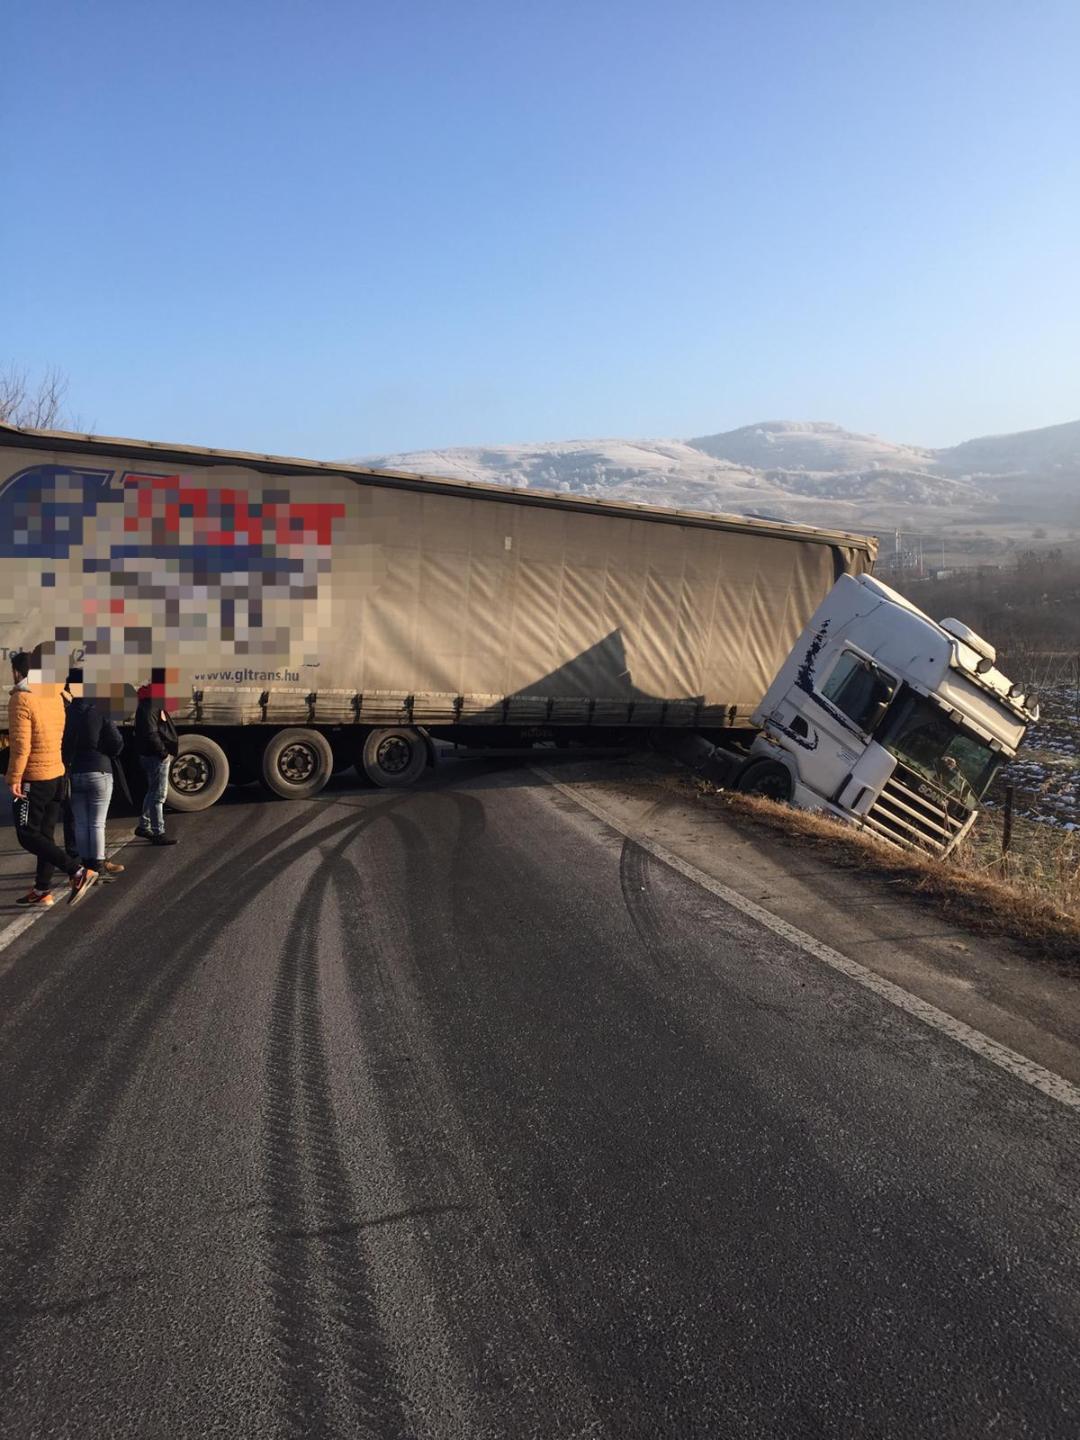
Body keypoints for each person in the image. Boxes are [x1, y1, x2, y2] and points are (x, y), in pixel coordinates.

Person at [6, 651, 97, 907]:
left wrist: (14, 777)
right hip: (56, 775)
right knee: (45, 835)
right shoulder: (55, 695)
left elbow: (20, 746)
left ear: (17, 672)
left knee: (27, 834)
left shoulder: (22, 699)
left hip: (34, 778)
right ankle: (42, 889)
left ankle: (77, 872)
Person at [62, 669, 128, 882]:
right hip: (100, 769)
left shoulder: (67, 712)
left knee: (81, 823)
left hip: (76, 771)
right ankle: (98, 865)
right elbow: (117, 742)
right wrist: (107, 752)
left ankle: (85, 864)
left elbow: (64, 744)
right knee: (97, 823)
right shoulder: (100, 710)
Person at [134, 679, 179, 845]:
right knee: (159, 795)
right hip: (155, 756)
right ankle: (158, 832)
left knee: (152, 791)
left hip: (149, 755)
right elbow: (151, 733)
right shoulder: (151, 707)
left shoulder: (149, 704)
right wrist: (164, 753)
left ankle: (143, 826)